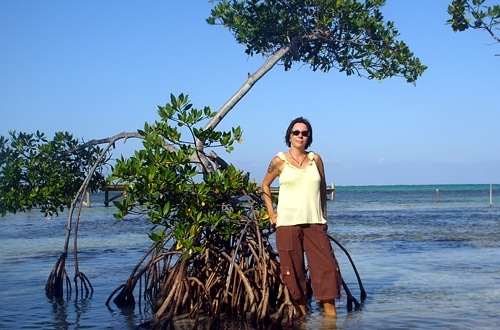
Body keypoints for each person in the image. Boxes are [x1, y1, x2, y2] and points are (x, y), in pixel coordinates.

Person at [261, 116, 342, 319]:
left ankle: (330, 321)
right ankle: (303, 318)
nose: (300, 136)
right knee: (293, 273)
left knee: (326, 270)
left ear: (309, 137)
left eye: (304, 133)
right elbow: (265, 186)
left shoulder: (316, 159)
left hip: (315, 224)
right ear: (289, 136)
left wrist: (324, 215)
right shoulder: (278, 161)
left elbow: (323, 188)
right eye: (296, 132)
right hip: (287, 225)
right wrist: (272, 213)